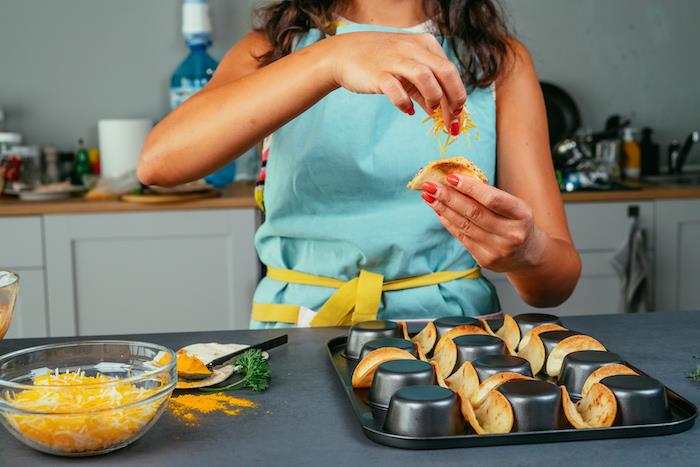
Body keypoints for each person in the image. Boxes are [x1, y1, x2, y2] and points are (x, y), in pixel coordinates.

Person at [138, 0, 581, 329]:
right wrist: (330, 59)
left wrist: (526, 253)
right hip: (300, 330)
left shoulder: (499, 62)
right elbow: (159, 163)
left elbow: (554, 285)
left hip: (453, 337)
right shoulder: (275, 50)